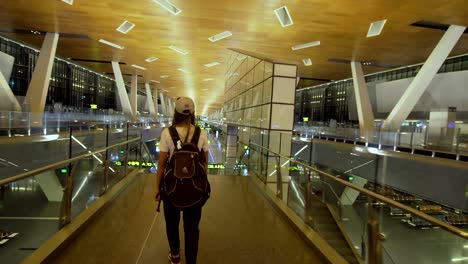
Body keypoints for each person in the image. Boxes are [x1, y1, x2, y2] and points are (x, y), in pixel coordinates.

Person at [154, 97, 209, 264]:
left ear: (176, 113)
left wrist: (158, 189)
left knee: (172, 224)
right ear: (192, 113)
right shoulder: (201, 133)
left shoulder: (167, 133)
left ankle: (175, 255)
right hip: (194, 191)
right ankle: (191, 260)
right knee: (192, 228)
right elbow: (204, 164)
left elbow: (162, 165)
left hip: (171, 188)